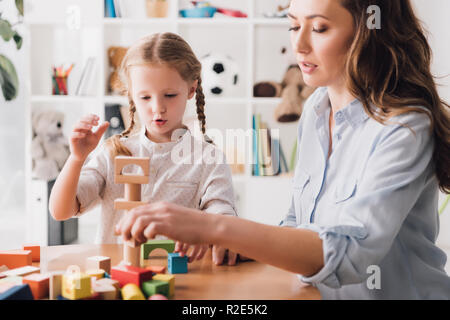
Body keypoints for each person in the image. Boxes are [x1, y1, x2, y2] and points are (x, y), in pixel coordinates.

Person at [115, 0, 450, 299]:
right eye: (293, 25)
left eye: (319, 28)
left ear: (368, 31)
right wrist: (241, 245)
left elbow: (349, 255)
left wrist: (210, 226)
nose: (299, 45)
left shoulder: (404, 126)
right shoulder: (317, 109)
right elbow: (299, 224)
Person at [49, 32, 241, 265]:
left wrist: (208, 230)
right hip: (118, 279)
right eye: (145, 97)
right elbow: (61, 211)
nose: (157, 108)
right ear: (130, 94)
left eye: (169, 95)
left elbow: (223, 215)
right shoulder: (113, 152)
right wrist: (77, 158)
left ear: (191, 90)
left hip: (180, 280)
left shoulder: (208, 159)